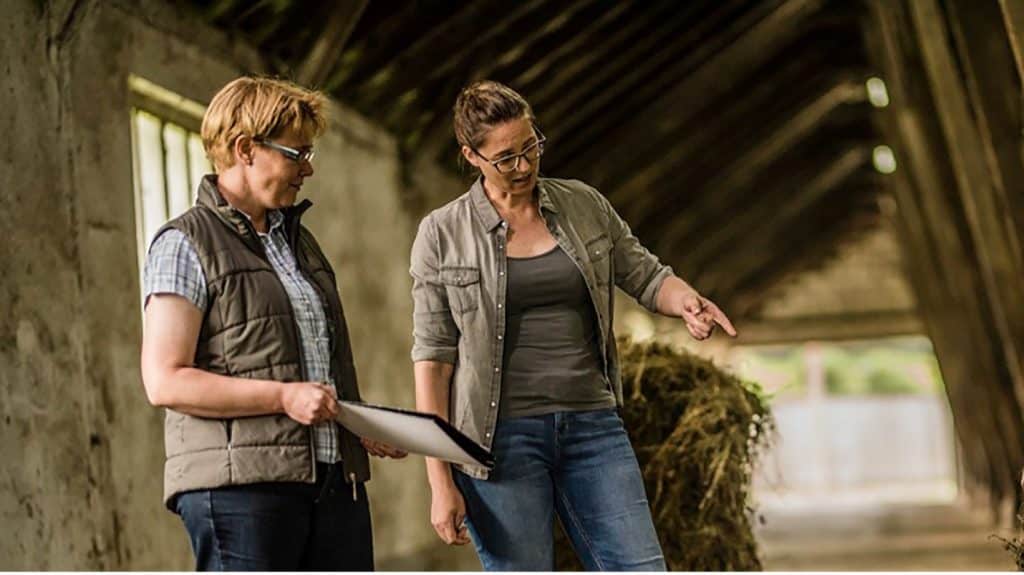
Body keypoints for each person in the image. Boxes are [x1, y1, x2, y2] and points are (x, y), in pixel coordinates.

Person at [410, 80, 737, 571]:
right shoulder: (442, 233)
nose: (523, 166)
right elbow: (433, 361)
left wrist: (686, 300)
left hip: (593, 426)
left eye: (530, 147)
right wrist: (439, 481)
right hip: (497, 444)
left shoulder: (584, 205)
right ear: (470, 156)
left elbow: (645, 274)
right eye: (505, 158)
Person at [140, 76, 405, 571]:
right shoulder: (184, 243)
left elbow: (305, 365)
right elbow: (164, 380)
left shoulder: (300, 245)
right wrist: (283, 397)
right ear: (245, 148)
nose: (308, 169)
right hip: (241, 490)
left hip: (332, 482)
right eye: (296, 154)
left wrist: (357, 422)